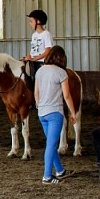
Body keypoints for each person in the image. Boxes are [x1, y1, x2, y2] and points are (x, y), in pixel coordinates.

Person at [34, 46, 77, 184]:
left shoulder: (40, 71)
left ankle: (60, 170)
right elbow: (67, 95)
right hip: (55, 114)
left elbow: (36, 93)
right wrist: (73, 112)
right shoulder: (61, 72)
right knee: (51, 145)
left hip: (42, 113)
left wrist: (39, 105)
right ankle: (47, 176)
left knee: (50, 143)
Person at [21, 9, 53, 90]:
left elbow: (47, 51)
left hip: (42, 62)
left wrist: (34, 59)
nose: (30, 24)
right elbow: (33, 50)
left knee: (36, 79)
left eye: (31, 21)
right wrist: (27, 57)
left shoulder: (46, 34)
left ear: (38, 21)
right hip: (33, 61)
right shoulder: (34, 35)